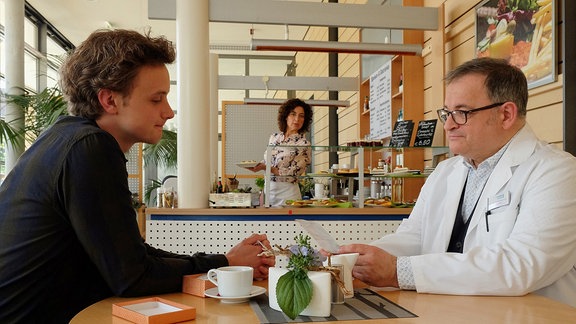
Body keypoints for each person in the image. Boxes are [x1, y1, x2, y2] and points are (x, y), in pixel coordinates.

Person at [0, 29, 274, 323]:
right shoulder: (89, 149)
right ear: (109, 100)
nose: (168, 112)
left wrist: (225, 262)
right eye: (157, 100)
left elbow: (134, 256)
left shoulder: (65, 138)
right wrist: (222, 264)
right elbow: (132, 278)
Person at [336, 57, 576, 307]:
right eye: (447, 113)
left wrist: (398, 271)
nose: (449, 125)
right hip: (450, 312)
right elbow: (414, 238)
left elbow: (522, 265)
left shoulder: (556, 171)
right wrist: (356, 259)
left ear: (505, 114)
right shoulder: (446, 171)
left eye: (461, 113)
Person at [249, 98, 313, 206]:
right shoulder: (274, 138)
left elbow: (293, 173)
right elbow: (268, 161)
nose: (297, 119)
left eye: (301, 116)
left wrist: (265, 167)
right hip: (269, 191)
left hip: (288, 194)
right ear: (286, 116)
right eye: (293, 114)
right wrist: (256, 165)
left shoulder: (303, 144)